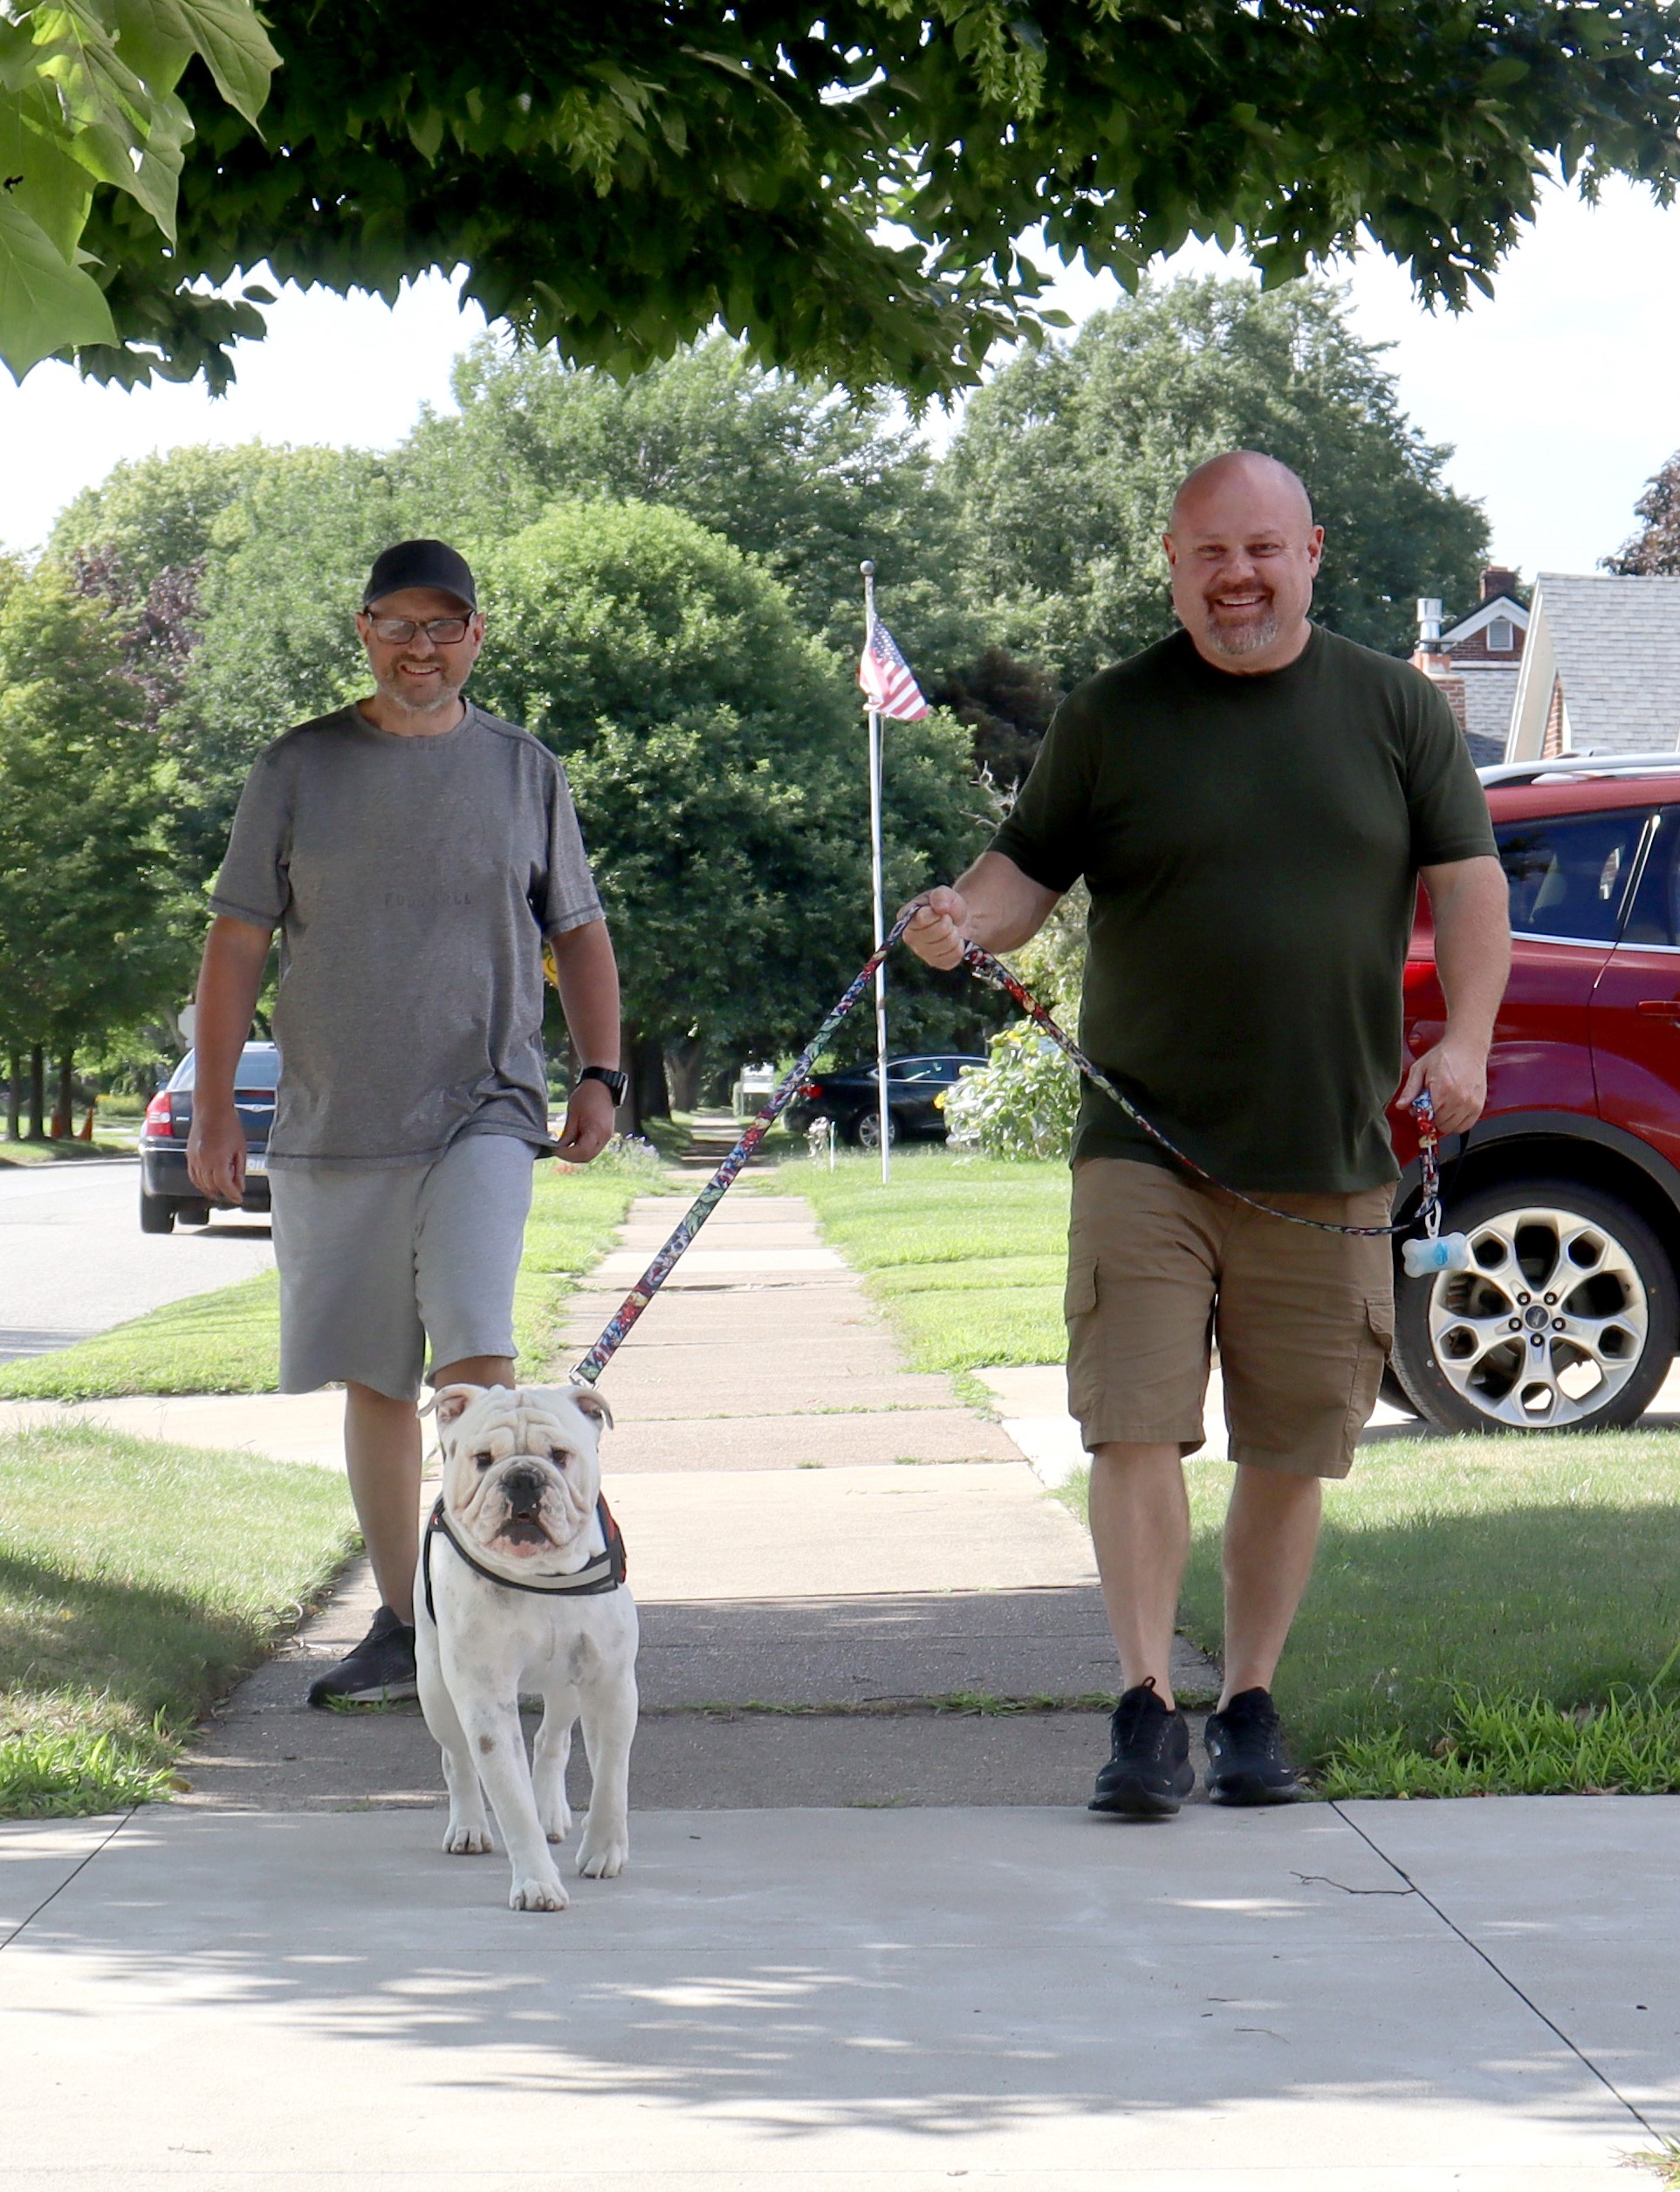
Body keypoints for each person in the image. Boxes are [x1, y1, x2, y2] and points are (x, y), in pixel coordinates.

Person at [905, 452, 1509, 1814]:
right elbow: (1023, 876)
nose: (1234, 577)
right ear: (1171, 566)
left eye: (1259, 550)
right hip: (1143, 1142)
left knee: (1293, 1447)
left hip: (1329, 1147)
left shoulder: (1393, 709)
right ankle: (1140, 1706)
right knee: (1130, 1426)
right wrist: (959, 921)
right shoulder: (1113, 717)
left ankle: (1246, 1703)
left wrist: (1462, 1038)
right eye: (1205, 555)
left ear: (1309, 552)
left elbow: (1468, 886)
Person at [187, 539, 627, 1708]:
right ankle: (406, 1619)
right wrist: (218, 1103)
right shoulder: (298, 768)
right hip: (335, 1122)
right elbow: (236, 940)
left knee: (476, 1357)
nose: (421, 648)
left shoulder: (523, 768)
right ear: (364, 631)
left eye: (445, 627)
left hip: (483, 1105)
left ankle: (503, 1603)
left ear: (476, 637)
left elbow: (576, 930)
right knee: (379, 1382)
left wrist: (601, 1072)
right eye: (399, 625)